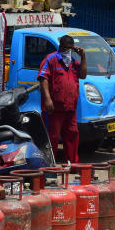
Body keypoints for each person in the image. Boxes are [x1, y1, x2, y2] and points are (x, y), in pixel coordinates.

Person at [39, 35, 87, 164]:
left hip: (70, 107)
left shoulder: (73, 62)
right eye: (66, 48)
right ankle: (50, 165)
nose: (68, 51)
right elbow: (43, 79)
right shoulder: (51, 59)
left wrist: (83, 56)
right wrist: (48, 100)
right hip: (54, 108)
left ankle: (72, 163)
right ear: (60, 47)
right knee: (52, 137)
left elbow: (83, 75)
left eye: (71, 49)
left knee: (72, 134)